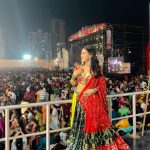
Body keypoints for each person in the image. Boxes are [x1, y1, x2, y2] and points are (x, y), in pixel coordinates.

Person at [67, 46, 130, 150]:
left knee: (92, 126)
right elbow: (73, 83)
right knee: (80, 127)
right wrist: (74, 76)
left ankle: (92, 147)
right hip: (80, 102)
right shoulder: (78, 68)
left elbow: (102, 86)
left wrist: (94, 90)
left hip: (92, 103)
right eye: (81, 53)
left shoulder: (96, 70)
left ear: (90, 55)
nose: (81, 55)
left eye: (83, 53)